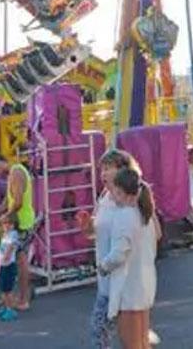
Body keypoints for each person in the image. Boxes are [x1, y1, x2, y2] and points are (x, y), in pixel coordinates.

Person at [77, 149, 140, 349]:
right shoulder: (105, 197)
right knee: (103, 332)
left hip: (125, 280)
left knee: (113, 333)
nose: (103, 174)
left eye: (108, 169)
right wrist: (87, 226)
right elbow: (96, 231)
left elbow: (149, 234)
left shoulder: (132, 199)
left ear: (122, 170)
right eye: (101, 169)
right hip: (106, 281)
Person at [102, 168, 159, 349]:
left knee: (130, 342)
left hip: (129, 287)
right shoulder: (145, 215)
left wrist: (104, 265)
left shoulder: (124, 216)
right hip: (144, 282)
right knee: (142, 341)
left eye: (117, 193)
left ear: (126, 194)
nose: (115, 197)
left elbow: (119, 253)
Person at [0, 156, 35, 309]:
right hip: (18, 222)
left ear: (0, 163)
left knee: (21, 261)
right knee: (15, 260)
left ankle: (24, 299)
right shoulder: (12, 174)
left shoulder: (16, 173)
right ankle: (17, 296)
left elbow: (17, 202)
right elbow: (9, 199)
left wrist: (4, 218)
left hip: (21, 223)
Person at [0, 212, 21, 322]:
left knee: (8, 290)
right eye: (4, 223)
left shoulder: (13, 234)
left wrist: (7, 255)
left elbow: (11, 245)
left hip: (9, 265)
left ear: (13, 225)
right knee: (3, 289)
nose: (6, 226)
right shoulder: (4, 234)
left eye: (9, 223)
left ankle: (10, 309)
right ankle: (6, 307)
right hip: (3, 265)